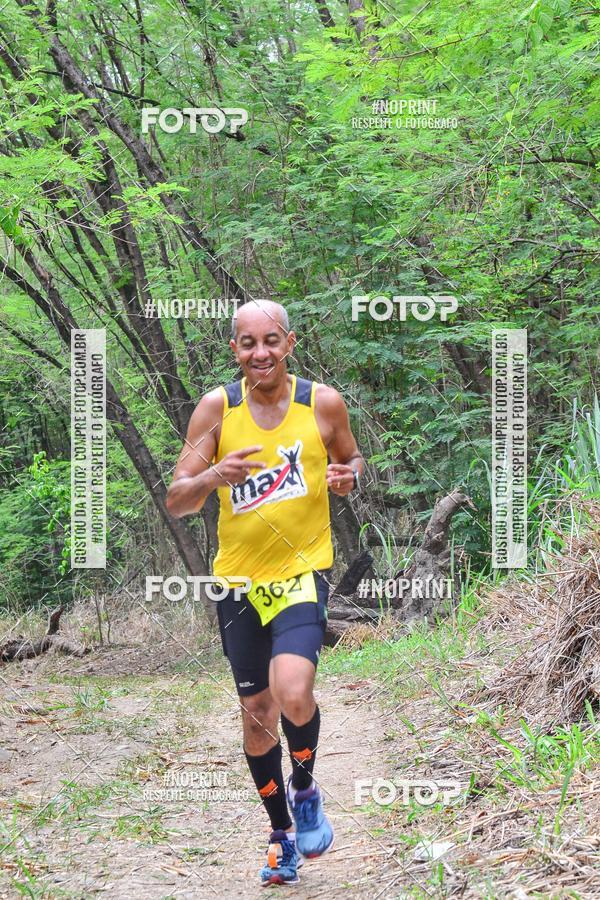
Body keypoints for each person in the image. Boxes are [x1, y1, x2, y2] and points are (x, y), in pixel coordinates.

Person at [166, 300, 363, 886]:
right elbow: (177, 499)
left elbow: (351, 463)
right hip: (237, 585)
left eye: (271, 341)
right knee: (258, 718)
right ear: (235, 350)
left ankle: (305, 785)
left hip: (302, 574)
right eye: (248, 343)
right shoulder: (216, 410)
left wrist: (350, 476)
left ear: (290, 342)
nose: (261, 353)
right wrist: (210, 476)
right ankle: (281, 835)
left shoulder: (321, 402)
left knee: (293, 689)